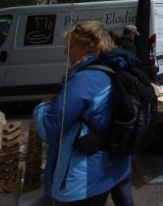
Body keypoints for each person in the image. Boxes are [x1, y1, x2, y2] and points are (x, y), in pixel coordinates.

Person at [33, 21, 134, 205]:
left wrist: (44, 104)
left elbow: (50, 127)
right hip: (113, 163)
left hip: (85, 174)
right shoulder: (115, 67)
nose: (66, 52)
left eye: (70, 46)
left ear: (89, 47)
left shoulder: (84, 80)